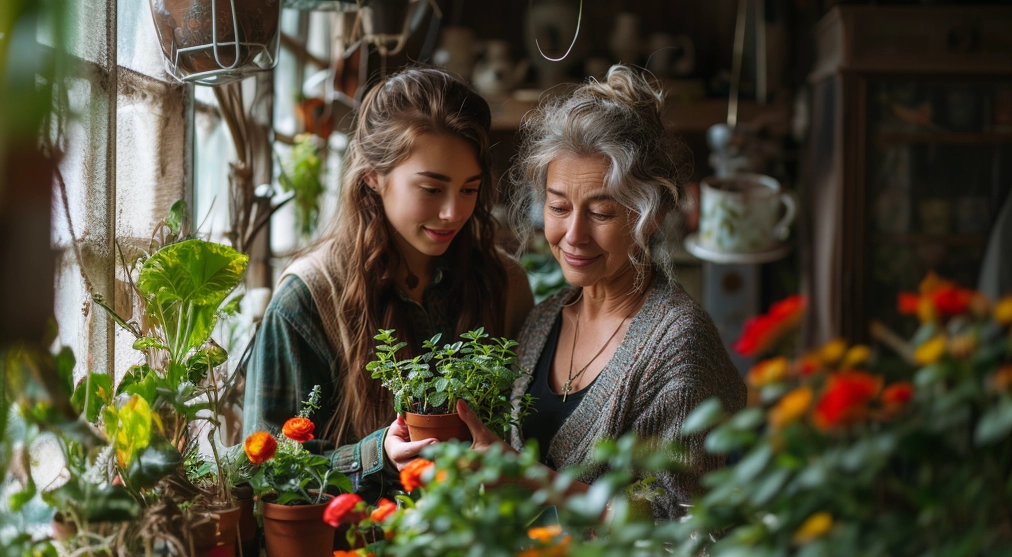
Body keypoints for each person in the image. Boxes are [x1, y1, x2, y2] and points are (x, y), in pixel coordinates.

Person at [454, 65, 747, 520]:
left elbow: (682, 528)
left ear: (647, 216)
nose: (573, 235)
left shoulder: (679, 346)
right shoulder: (542, 320)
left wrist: (535, 482)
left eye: (602, 213)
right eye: (558, 207)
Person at [242, 67, 534, 502]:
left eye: (469, 189)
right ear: (373, 177)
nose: (454, 212)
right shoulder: (310, 298)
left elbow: (531, 441)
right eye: (432, 189)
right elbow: (265, 471)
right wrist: (374, 454)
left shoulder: (503, 284)